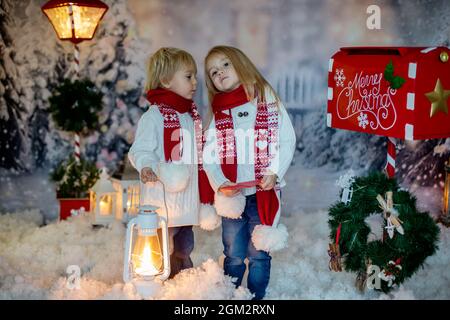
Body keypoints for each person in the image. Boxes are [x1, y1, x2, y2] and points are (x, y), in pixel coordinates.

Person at [202, 45, 296, 299]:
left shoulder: (265, 97)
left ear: (241, 63)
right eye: (213, 72)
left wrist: (274, 171)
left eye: (225, 65)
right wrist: (221, 183)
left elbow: (286, 139)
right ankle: (230, 294)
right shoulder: (219, 112)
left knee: (259, 252)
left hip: (261, 192)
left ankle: (255, 298)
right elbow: (209, 154)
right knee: (233, 251)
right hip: (233, 196)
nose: (219, 72)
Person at [129, 47, 217, 279]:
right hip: (163, 199)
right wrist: (147, 165)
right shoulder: (155, 116)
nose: (194, 82)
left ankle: (181, 270)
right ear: (166, 80)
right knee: (162, 242)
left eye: (195, 76)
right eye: (188, 77)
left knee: (184, 243)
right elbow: (141, 149)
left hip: (186, 199)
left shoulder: (190, 116)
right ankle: (157, 273)